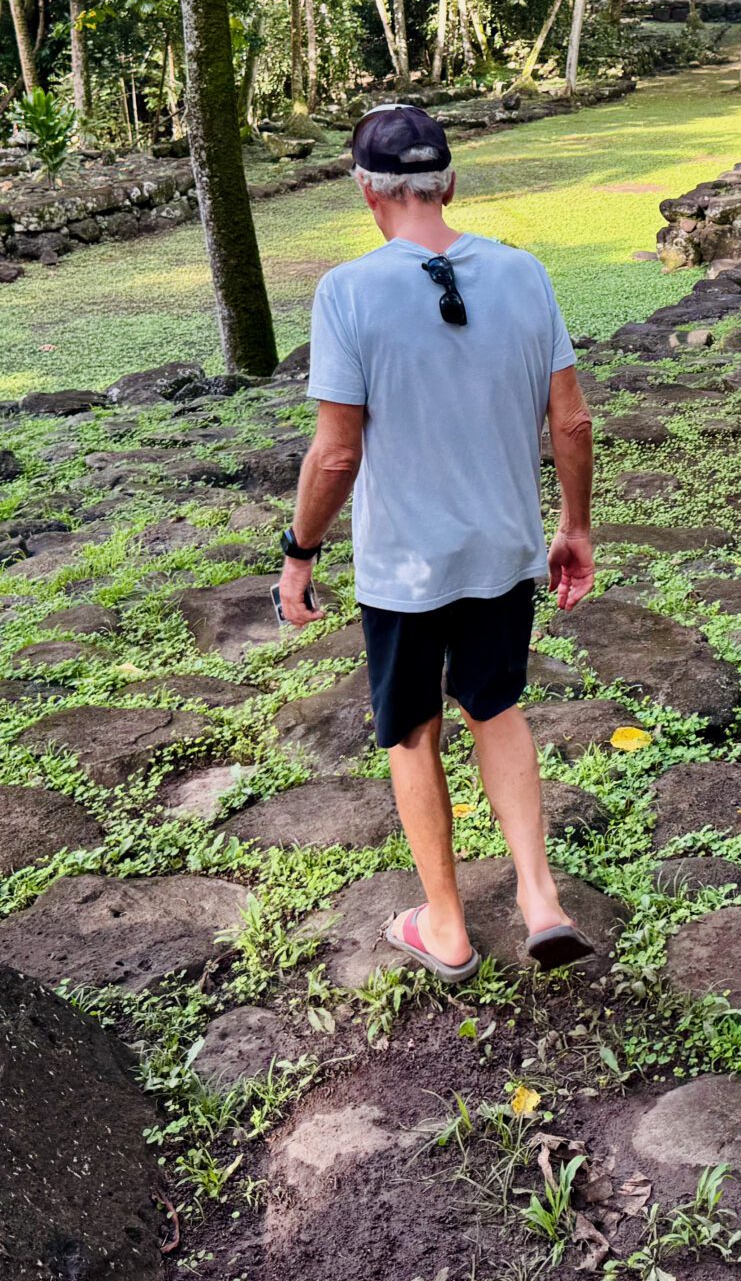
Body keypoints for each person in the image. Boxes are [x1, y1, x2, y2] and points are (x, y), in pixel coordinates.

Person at [275, 102, 597, 979]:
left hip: (403, 566)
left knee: (412, 729)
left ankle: (446, 927)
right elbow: (571, 422)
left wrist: (299, 553)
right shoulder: (524, 274)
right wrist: (573, 528)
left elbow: (336, 454)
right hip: (503, 548)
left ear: (366, 192)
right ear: (448, 183)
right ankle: (540, 899)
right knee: (496, 706)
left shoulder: (347, 292)